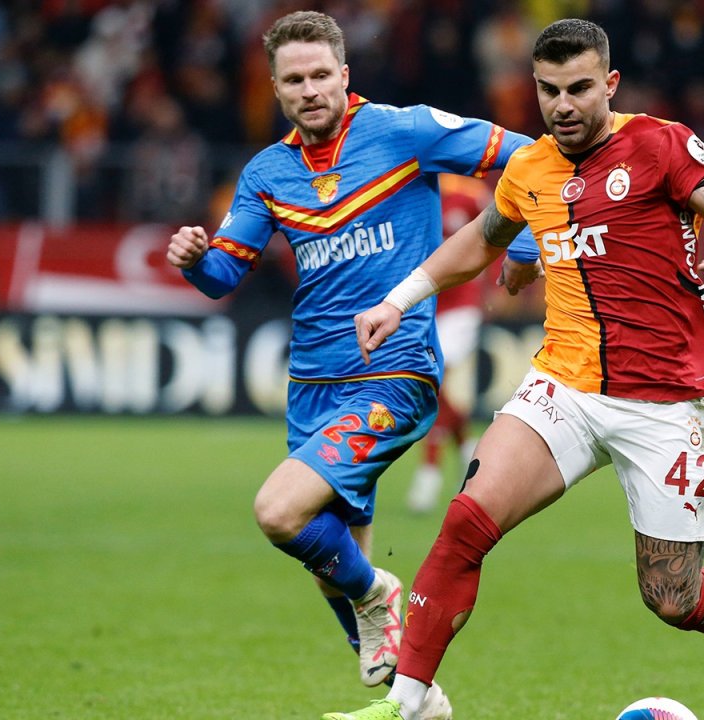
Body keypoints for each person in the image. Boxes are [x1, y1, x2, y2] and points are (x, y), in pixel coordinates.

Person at [328, 18, 704, 720]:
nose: (563, 105)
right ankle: (408, 703)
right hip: (563, 387)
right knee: (465, 523)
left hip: (664, 402)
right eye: (548, 90)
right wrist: (398, 299)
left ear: (610, 84)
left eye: (578, 89)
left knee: (672, 598)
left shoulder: (660, 144)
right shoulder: (530, 168)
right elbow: (482, 241)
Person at [163, 11, 541, 715]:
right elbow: (223, 275)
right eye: (293, 80)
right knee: (329, 560)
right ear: (276, 88)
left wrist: (520, 245)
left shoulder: (404, 131)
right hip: (311, 384)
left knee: (280, 512)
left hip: (394, 371)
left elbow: (524, 154)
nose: (308, 90)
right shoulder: (267, 173)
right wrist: (195, 260)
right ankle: (416, 702)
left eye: (319, 75)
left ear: (344, 74)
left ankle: (378, 594)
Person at [406, 175, 492, 514]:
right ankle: (470, 448)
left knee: (432, 380)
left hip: (461, 306)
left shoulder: (471, 193)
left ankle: (428, 474)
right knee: (430, 383)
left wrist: (496, 284)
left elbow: (503, 232)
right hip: (423, 305)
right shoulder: (412, 189)